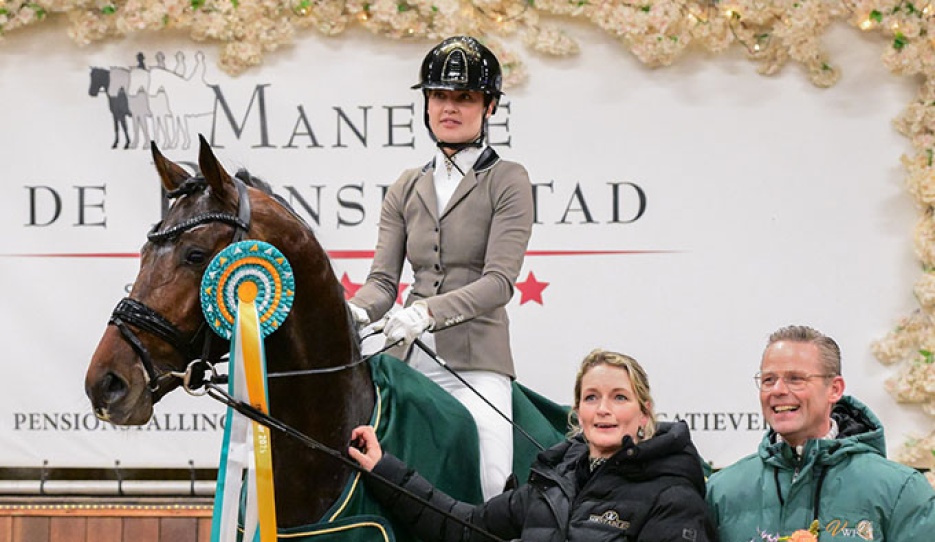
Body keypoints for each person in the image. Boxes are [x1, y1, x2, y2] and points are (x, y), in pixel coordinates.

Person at [347, 35, 534, 500]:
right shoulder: (406, 185)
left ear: (489, 106)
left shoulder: (508, 180)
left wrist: (427, 313)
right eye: (439, 96)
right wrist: (353, 313)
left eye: (465, 97)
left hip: (476, 361)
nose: (449, 107)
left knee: (491, 481)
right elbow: (383, 282)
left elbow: (498, 283)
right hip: (405, 357)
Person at [347, 349, 717, 542]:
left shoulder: (672, 495)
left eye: (619, 397)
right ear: (578, 412)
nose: (603, 410)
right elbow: (462, 526)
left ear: (644, 413)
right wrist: (385, 470)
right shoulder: (554, 483)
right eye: (591, 397)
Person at [706, 325, 935, 541]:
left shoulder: (901, 489)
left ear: (835, 389)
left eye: (795, 379)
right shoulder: (722, 491)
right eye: (768, 380)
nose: (777, 390)